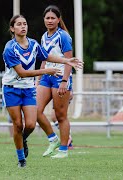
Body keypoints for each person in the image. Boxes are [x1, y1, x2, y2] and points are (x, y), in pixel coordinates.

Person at [2, 14, 82, 167]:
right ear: (12, 29)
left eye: (25, 23)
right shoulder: (9, 48)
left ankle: (22, 139)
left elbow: (47, 56)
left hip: (28, 89)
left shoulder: (33, 44)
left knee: (30, 125)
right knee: (18, 125)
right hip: (11, 90)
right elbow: (22, 73)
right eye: (19, 24)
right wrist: (46, 72)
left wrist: (66, 61)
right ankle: (21, 160)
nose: (23, 26)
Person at [36, 5, 75, 159]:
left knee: (60, 116)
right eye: (47, 18)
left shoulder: (63, 36)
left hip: (60, 77)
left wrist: (65, 81)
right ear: (44, 20)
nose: (50, 20)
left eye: (53, 18)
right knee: (35, 111)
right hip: (46, 76)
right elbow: (44, 59)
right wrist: (38, 78)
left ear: (58, 20)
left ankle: (64, 150)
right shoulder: (44, 36)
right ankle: (53, 139)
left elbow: (69, 61)